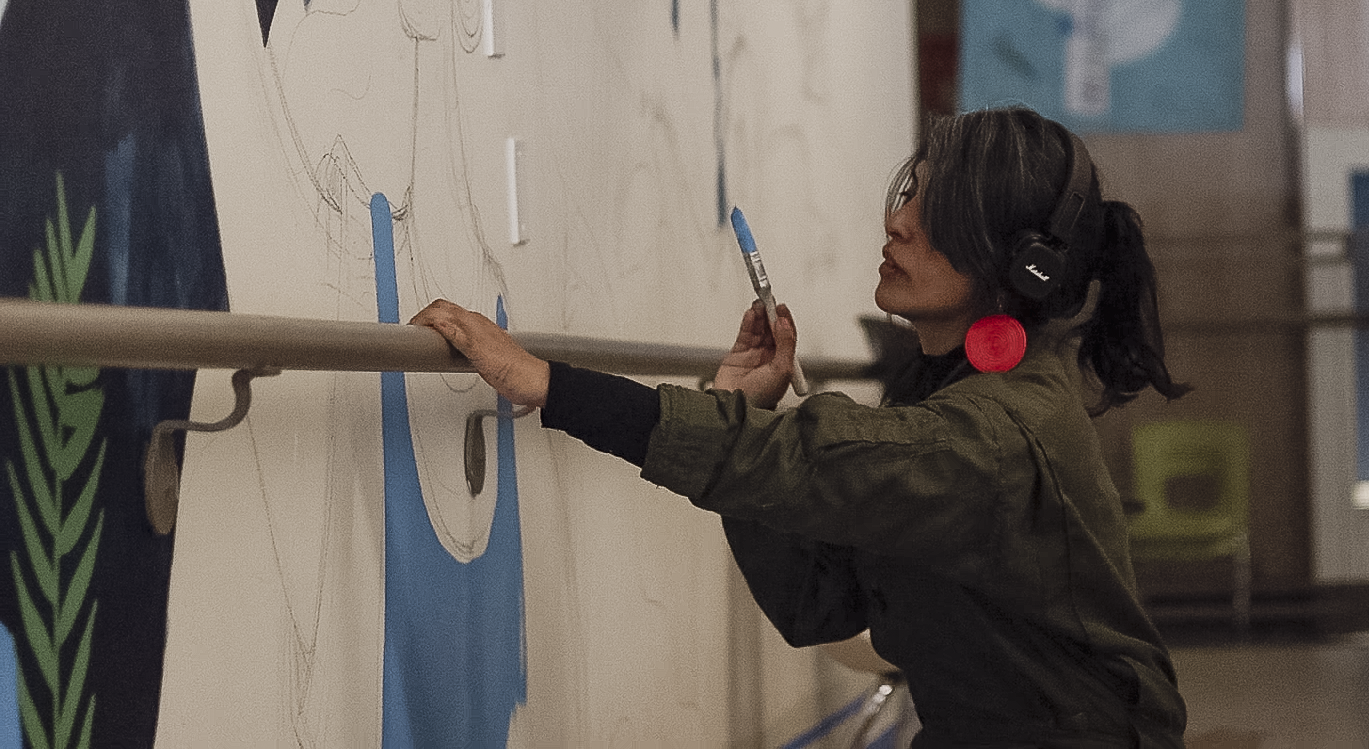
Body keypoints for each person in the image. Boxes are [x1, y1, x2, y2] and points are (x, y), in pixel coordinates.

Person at [411, 105, 1193, 747]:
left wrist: (547, 383)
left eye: (938, 207)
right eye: (912, 187)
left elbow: (810, 459)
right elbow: (823, 604)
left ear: (1023, 265)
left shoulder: (997, 434)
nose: (899, 220)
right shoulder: (950, 389)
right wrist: (751, 414)